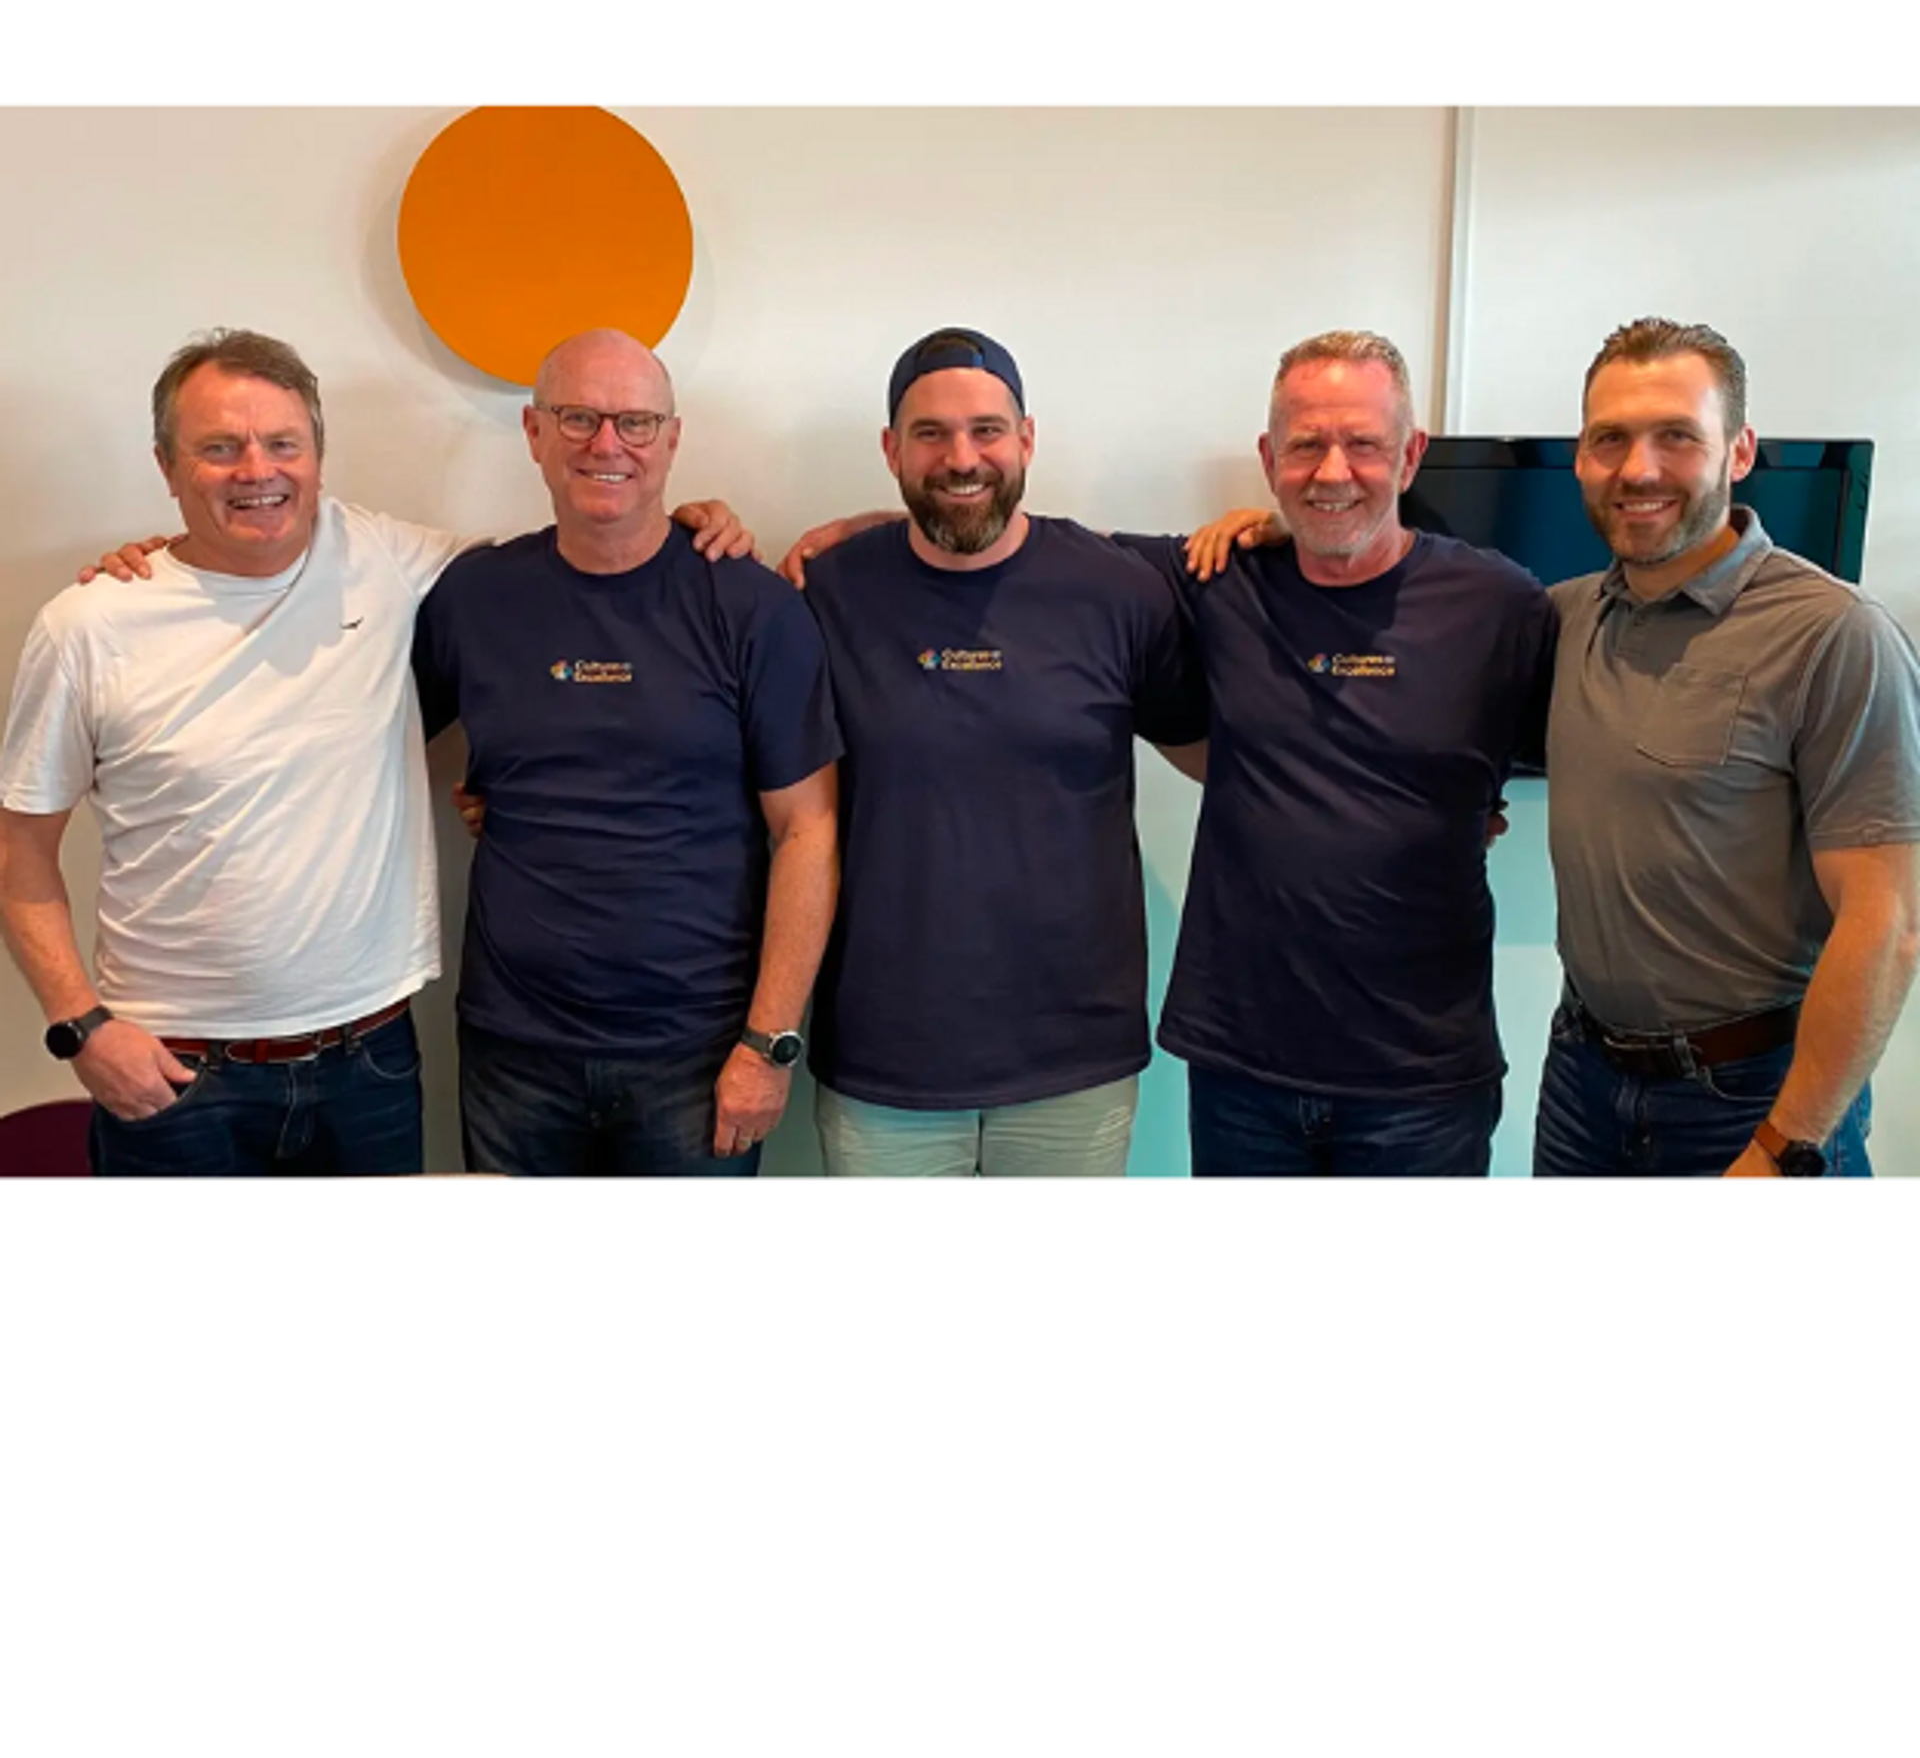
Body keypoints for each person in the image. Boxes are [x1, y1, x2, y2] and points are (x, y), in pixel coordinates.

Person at [0, 329, 460, 1174]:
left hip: (372, 1060)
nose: (258, 471)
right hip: (173, 1074)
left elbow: (570, 565)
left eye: (283, 443)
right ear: (167, 467)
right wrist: (81, 1028)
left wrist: (699, 524)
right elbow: (17, 847)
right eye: (219, 449)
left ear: (319, 457)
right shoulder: (90, 626)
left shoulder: (384, 559)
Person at [411, 328, 841, 1178]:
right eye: (578, 417)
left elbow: (808, 832)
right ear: (533, 433)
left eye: (635, 423)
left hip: (699, 1052)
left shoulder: (750, 607)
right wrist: (198, 563)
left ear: (671, 441)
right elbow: (355, 745)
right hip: (514, 1051)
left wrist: (770, 1044)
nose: (607, 444)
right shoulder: (475, 597)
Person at [778, 326, 1207, 1176]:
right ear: (892, 450)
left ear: (1027, 439)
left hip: (1072, 1060)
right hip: (884, 1062)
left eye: (986, 430)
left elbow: (1214, 757)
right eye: (930, 434)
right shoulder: (825, 592)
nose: (960, 456)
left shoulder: (1118, 590)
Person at [1162, 330, 1557, 1175]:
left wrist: (1468, 798)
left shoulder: (1504, 604)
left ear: (1411, 455)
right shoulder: (1215, 580)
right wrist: (878, 525)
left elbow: (1577, 745)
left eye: (1364, 444)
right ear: (1269, 458)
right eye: (1306, 445)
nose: (1332, 471)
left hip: (1422, 1082)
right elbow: (1035, 557)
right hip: (1241, 1073)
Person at [1533, 316, 1920, 1178]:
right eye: (1612, 439)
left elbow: (1887, 922)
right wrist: (1290, 530)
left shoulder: (1835, 636)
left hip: (1749, 1099)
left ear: (1739, 451)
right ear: (1581, 457)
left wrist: (1787, 1147)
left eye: (1677, 436)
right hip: (1581, 1081)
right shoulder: (1563, 617)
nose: (1640, 469)